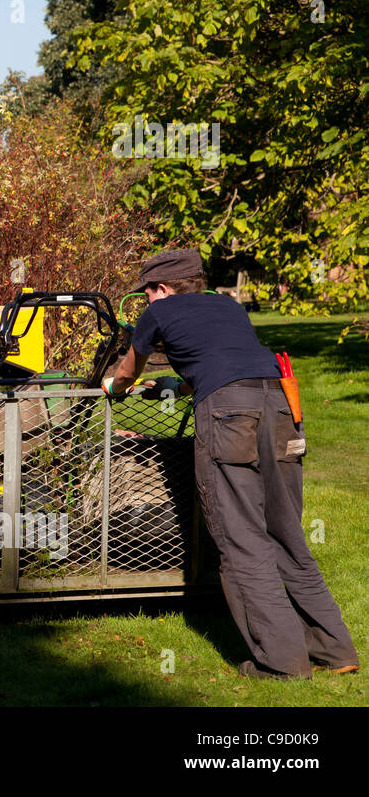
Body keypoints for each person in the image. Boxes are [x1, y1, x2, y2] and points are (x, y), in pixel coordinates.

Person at [106, 249, 359, 679]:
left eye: (148, 293)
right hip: (281, 405)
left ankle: (283, 664)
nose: (147, 301)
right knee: (286, 533)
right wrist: (182, 386)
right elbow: (225, 359)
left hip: (229, 416)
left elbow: (129, 371)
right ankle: (335, 649)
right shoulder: (227, 305)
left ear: (162, 290)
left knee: (242, 540)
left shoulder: (159, 312)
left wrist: (113, 386)